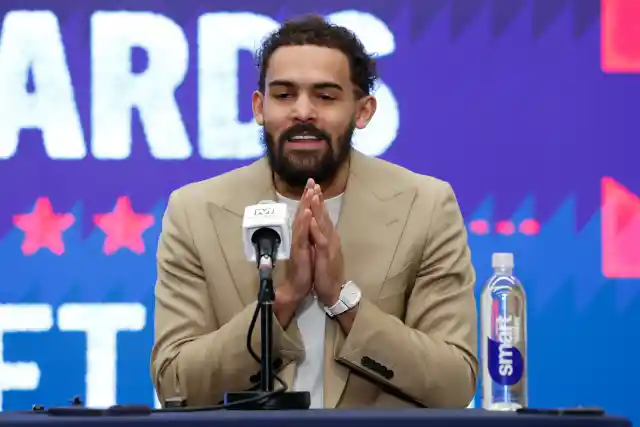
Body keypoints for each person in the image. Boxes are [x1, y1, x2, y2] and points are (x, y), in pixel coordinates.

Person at [151, 14, 478, 409]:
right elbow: (175, 385)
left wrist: (342, 300)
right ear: (259, 107)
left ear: (363, 111)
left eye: (325, 96)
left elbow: (454, 384)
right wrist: (283, 300)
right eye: (284, 95)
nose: (303, 112)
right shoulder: (195, 213)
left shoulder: (424, 207)